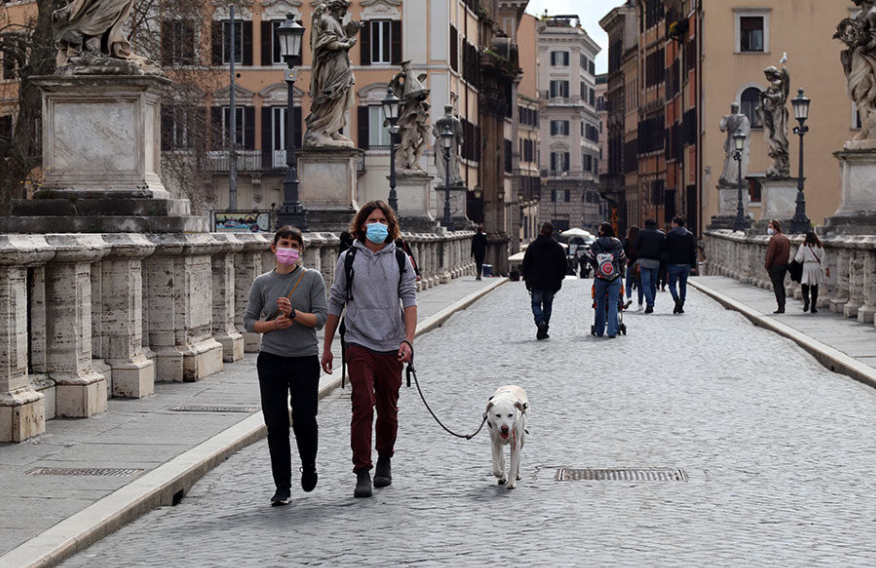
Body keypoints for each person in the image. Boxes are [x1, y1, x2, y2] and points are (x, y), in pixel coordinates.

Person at [321, 200, 417, 499]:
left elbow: (410, 300)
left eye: (382, 220)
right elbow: (336, 301)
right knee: (363, 403)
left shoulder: (401, 259)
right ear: (362, 225)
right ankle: (362, 469)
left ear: (390, 226)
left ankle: (384, 459)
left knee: (388, 408)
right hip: (358, 340)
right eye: (372, 220)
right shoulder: (348, 259)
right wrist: (326, 346)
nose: (377, 225)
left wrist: (408, 340)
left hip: (391, 343)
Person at [243, 226, 328, 507]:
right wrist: (273, 325)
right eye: (284, 243)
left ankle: (309, 465)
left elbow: (320, 319)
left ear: (301, 250)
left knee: (305, 419)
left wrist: (293, 313)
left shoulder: (312, 278)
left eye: (294, 244)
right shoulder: (262, 282)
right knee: (276, 425)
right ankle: (282, 486)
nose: (288, 248)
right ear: (273, 248)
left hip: (304, 358)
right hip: (271, 360)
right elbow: (249, 322)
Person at [304, 0, 361, 148]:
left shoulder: (336, 22)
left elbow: (337, 41)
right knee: (333, 94)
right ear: (340, 7)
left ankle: (332, 129)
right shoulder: (327, 20)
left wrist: (349, 33)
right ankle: (321, 131)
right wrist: (347, 44)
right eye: (345, 9)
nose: (346, 12)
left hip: (341, 63)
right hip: (332, 65)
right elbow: (327, 43)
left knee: (342, 95)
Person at [521, 222, 567, 340]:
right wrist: (559, 279)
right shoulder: (558, 248)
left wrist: (525, 277)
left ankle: (540, 321)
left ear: (540, 231)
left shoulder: (532, 246)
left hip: (535, 281)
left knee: (535, 304)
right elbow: (563, 267)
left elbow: (526, 263)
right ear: (552, 233)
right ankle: (543, 328)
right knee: (547, 305)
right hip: (551, 282)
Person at [587, 222, 626, 338]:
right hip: (614, 276)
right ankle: (612, 331)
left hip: (600, 277)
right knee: (614, 302)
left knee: (600, 303)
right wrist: (617, 267)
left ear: (603, 231)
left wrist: (597, 268)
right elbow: (622, 258)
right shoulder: (617, 243)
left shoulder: (596, 243)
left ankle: (599, 330)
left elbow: (591, 259)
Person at [664, 216, 698, 314]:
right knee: (683, 285)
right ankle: (681, 304)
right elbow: (693, 251)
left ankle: (676, 300)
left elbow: (666, 249)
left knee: (671, 285)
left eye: (672, 223)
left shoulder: (670, 235)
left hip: (674, 263)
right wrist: (693, 265)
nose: (671, 225)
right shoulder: (689, 235)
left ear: (676, 224)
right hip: (686, 264)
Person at [633, 219, 665, 313]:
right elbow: (663, 248)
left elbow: (636, 246)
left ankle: (650, 303)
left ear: (645, 225)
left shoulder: (641, 233)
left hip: (644, 261)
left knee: (645, 283)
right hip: (656, 261)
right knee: (653, 284)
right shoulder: (661, 234)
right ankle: (651, 303)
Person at [794, 231, 826, 313]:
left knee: (804, 286)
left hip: (807, 266)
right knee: (814, 287)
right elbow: (823, 258)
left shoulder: (803, 246)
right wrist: (823, 268)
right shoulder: (819, 246)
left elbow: (798, 258)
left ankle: (806, 300)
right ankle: (813, 307)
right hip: (816, 267)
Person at [765, 219, 791, 314]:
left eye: (770, 227)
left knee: (777, 286)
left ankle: (780, 306)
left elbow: (770, 255)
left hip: (775, 266)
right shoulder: (786, 239)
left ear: (775, 228)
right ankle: (783, 303)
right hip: (784, 265)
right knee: (781, 285)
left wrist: (767, 265)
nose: (769, 229)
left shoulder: (774, 239)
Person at [623, 226, 643, 310]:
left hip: (630, 264)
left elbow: (623, 252)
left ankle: (629, 297)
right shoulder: (641, 242)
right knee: (640, 285)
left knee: (628, 284)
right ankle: (640, 304)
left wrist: (627, 259)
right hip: (638, 265)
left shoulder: (626, 242)